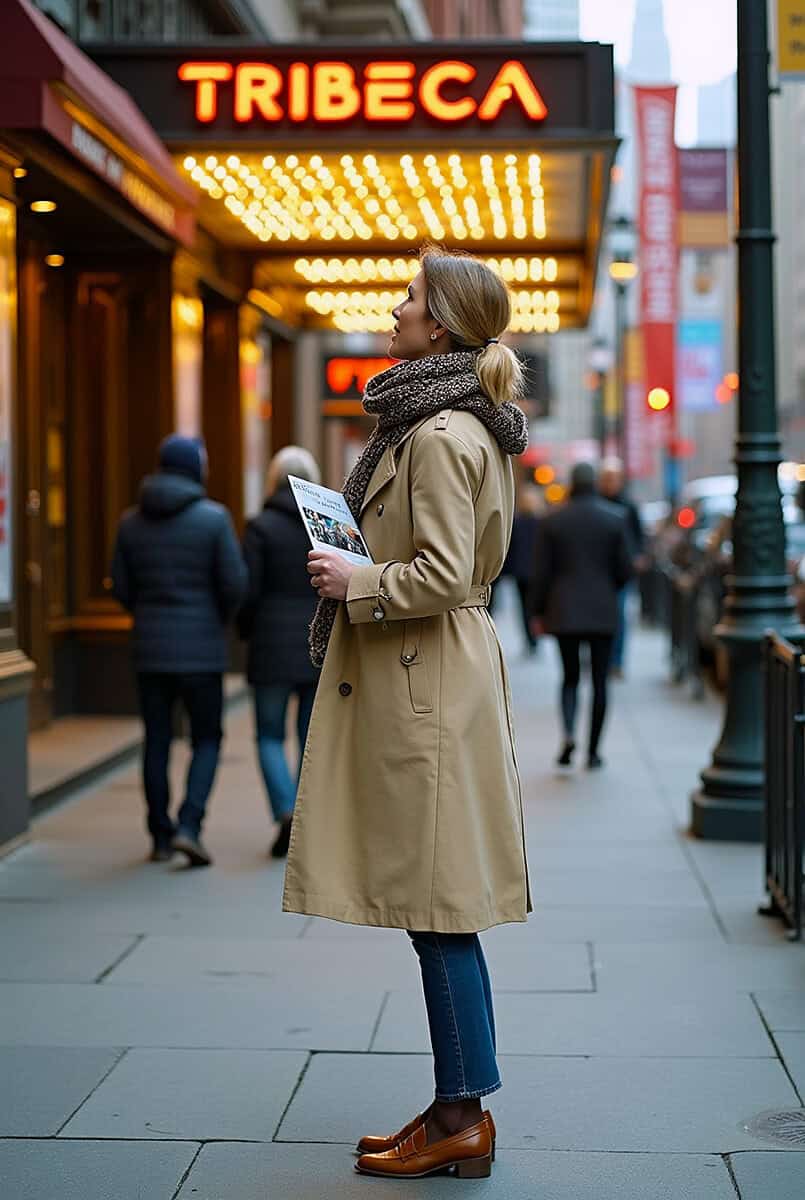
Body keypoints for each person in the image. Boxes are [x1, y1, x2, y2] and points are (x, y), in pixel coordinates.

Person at [282, 247, 531, 1180]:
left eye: (411, 300)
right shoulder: (449, 424)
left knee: (439, 906)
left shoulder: (436, 435)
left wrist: (357, 577)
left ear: (441, 326)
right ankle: (451, 1106)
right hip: (428, 675)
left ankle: (461, 1114)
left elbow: (444, 572)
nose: (395, 310)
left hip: (425, 680)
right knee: (437, 905)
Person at [111, 435, 246, 866]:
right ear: (195, 469)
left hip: (150, 650)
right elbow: (234, 584)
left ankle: (160, 835)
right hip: (202, 650)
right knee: (206, 738)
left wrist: (148, 614)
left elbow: (122, 587)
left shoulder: (130, 522)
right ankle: (190, 824)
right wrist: (215, 621)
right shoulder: (214, 519)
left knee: (157, 739)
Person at [238, 446, 321, 859]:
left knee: (269, 734)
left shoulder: (259, 527)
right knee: (311, 737)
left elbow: (246, 591)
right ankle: (305, 822)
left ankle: (284, 810)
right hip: (314, 645)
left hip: (270, 643)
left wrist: (245, 632)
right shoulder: (322, 524)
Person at [531, 462, 632, 770]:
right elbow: (625, 570)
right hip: (602, 609)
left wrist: (537, 611)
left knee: (570, 678)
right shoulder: (615, 519)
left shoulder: (552, 521)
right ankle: (593, 750)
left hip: (564, 610)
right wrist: (607, 588)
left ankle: (569, 734)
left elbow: (541, 573)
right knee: (600, 682)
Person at [599, 458, 645, 677]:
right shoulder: (597, 502)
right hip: (598, 571)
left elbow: (639, 537)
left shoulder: (629, 506)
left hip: (620, 571)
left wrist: (637, 559)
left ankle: (616, 661)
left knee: (619, 615)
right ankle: (601, 658)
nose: (610, 483)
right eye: (606, 478)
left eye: (613, 478)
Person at [492, 484, 544, 654]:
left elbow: (509, 549)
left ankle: (531, 639)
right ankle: (534, 638)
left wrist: (504, 572)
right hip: (536, 573)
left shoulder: (516, 522)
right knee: (534, 607)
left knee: (524, 608)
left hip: (521, 573)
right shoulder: (542, 523)